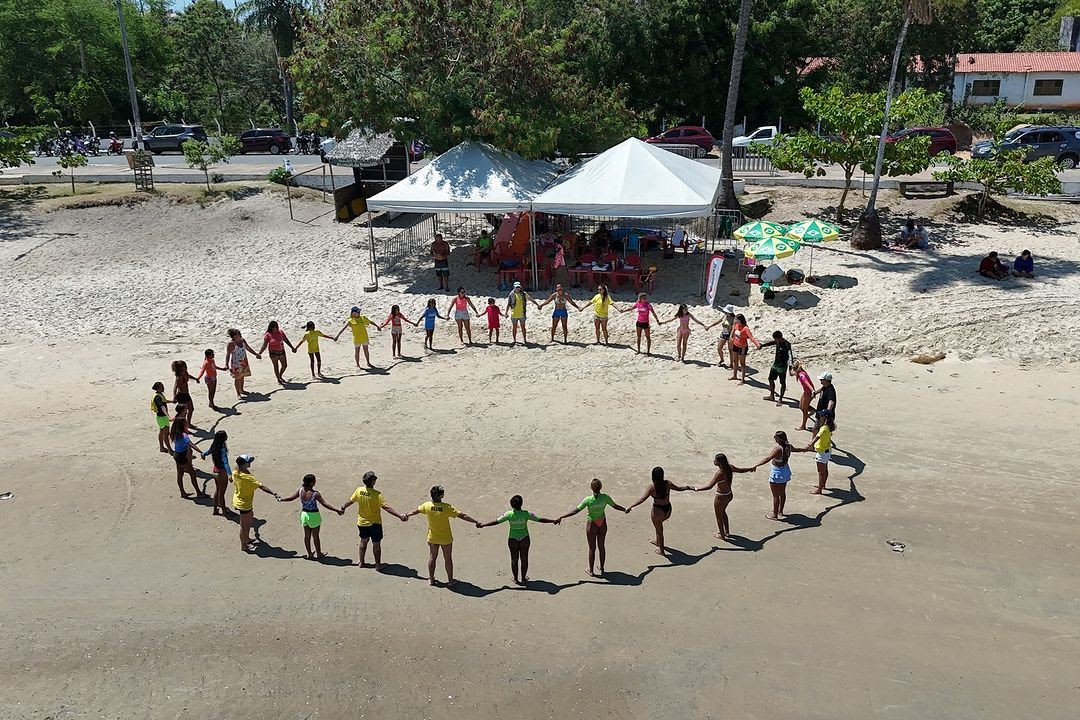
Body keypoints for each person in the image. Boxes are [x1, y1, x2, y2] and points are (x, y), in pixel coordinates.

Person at [404, 486, 479, 586]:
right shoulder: (447, 507)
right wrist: (475, 521)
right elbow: (462, 515)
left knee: (432, 557)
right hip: (445, 538)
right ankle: (450, 581)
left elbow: (415, 511)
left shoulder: (427, 505)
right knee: (447, 558)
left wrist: (407, 515)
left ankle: (431, 579)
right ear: (441, 496)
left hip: (432, 537)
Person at [476, 495, 558, 585]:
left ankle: (515, 578)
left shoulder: (509, 514)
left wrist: (483, 525)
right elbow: (540, 519)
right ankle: (523, 578)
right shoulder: (526, 514)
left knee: (514, 559)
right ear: (521, 504)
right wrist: (553, 521)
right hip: (525, 538)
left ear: (511, 505)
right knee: (524, 558)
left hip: (513, 539)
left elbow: (496, 521)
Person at [556, 479, 627, 577]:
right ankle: (602, 567)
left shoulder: (588, 499)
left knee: (592, 548)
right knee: (601, 546)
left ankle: (591, 570)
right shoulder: (605, 497)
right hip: (602, 523)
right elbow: (615, 506)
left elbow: (575, 511)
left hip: (592, 524)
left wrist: (562, 516)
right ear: (601, 487)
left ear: (591, 488)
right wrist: (625, 509)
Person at [340, 471, 408, 569]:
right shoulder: (377, 495)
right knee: (376, 544)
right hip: (375, 524)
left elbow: (351, 501)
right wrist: (400, 516)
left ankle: (361, 562)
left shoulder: (359, 490)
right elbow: (386, 508)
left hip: (362, 522)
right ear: (373, 482)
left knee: (363, 542)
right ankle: (378, 565)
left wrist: (343, 507)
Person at [626, 466, 694, 556]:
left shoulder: (652, 487)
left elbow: (642, 499)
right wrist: (688, 487)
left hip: (658, 511)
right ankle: (658, 542)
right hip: (668, 510)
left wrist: (630, 506)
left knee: (659, 530)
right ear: (662, 475)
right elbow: (679, 488)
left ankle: (661, 551)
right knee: (659, 528)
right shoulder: (668, 483)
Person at [278, 474, 343, 559]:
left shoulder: (300, 491)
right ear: (312, 483)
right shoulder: (315, 494)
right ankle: (319, 553)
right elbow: (325, 504)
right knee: (315, 536)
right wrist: (337, 510)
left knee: (307, 536)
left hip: (304, 515)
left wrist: (281, 499)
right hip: (314, 516)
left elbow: (291, 498)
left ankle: (309, 553)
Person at [695, 453, 756, 540]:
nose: (714, 461)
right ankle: (726, 531)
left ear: (719, 463)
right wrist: (751, 468)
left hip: (721, 497)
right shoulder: (730, 467)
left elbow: (709, 486)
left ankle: (722, 535)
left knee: (718, 516)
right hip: (729, 495)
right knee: (723, 512)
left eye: (715, 460)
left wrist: (697, 489)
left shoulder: (720, 473)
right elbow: (741, 470)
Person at [232, 454, 279, 552]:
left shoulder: (235, 472)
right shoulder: (248, 478)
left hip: (239, 499)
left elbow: (233, 474)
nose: (251, 463)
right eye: (249, 462)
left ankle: (247, 539)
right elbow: (262, 487)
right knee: (244, 526)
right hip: (244, 504)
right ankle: (243, 546)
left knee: (249, 521)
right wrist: (274, 493)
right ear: (244, 464)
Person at [753, 431, 794, 521]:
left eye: (775, 437)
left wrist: (756, 465)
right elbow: (797, 449)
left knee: (775, 495)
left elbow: (768, 458)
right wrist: (806, 449)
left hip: (777, 473)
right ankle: (780, 511)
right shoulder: (788, 446)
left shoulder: (778, 449)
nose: (774, 438)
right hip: (785, 471)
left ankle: (774, 515)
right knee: (782, 492)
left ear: (778, 439)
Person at [795, 410, 835, 494]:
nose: (820, 417)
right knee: (825, 470)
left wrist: (809, 445)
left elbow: (817, 437)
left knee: (821, 472)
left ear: (825, 417)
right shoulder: (829, 427)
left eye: (821, 416)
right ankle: (822, 485)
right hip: (827, 451)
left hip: (822, 452)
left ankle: (819, 489)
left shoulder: (824, 428)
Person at [170, 415, 204, 499]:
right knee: (192, 473)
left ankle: (183, 492)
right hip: (182, 457)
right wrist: (201, 452)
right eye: (186, 424)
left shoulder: (174, 433)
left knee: (180, 474)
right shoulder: (184, 435)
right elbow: (191, 445)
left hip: (176, 455)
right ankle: (199, 493)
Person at [201, 430, 232, 517]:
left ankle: (215, 510)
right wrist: (230, 474)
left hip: (215, 471)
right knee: (221, 494)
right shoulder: (222, 449)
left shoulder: (214, 445)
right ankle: (224, 512)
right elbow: (225, 462)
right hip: (221, 473)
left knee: (217, 491)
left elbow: (208, 452)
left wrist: (203, 454)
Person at [759, 330, 793, 405]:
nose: (775, 340)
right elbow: (771, 343)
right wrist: (762, 345)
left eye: (776, 339)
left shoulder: (787, 344)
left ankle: (780, 399)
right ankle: (772, 396)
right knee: (770, 379)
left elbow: (790, 356)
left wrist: (790, 368)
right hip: (775, 364)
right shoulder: (777, 341)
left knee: (782, 383)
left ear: (779, 338)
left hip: (782, 366)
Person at [226, 328, 261, 399]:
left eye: (239, 334)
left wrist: (255, 354)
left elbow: (248, 348)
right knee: (237, 378)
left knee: (242, 376)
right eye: (238, 334)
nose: (240, 335)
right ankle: (238, 394)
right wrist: (226, 364)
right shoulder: (231, 344)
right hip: (236, 364)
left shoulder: (242, 340)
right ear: (234, 336)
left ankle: (241, 390)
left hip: (244, 362)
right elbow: (228, 354)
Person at [258, 320, 296, 385]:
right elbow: (264, 345)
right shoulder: (268, 335)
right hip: (273, 352)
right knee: (276, 366)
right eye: (276, 327)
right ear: (272, 327)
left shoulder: (280, 332)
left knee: (284, 365)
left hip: (281, 351)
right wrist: (259, 353)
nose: (277, 327)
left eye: (277, 326)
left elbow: (286, 340)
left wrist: (292, 348)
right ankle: (278, 379)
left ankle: (280, 375)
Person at [729, 314, 761, 383]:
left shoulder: (745, 328)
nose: (734, 320)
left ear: (740, 320)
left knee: (742, 363)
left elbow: (751, 337)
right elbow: (733, 330)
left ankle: (743, 380)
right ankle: (734, 376)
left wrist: (757, 344)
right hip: (735, 344)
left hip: (742, 347)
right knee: (735, 361)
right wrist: (731, 337)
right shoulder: (736, 325)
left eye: (736, 319)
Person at [505, 281, 538, 345]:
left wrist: (537, 304)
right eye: (516, 287)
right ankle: (514, 340)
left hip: (522, 313)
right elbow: (508, 303)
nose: (518, 288)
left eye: (518, 287)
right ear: (514, 287)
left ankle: (525, 339)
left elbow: (531, 299)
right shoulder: (511, 294)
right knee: (514, 327)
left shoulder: (523, 294)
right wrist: (506, 312)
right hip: (514, 314)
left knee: (523, 327)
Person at [171, 360, 199, 427]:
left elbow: (189, 376)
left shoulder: (185, 373)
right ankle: (183, 426)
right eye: (184, 366)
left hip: (186, 394)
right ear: (180, 368)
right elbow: (175, 387)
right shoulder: (179, 377)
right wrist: (174, 396)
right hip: (181, 396)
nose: (186, 367)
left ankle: (188, 424)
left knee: (191, 409)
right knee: (183, 412)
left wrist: (196, 379)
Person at [791, 359, 815, 431]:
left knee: (804, 410)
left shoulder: (801, 375)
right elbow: (793, 373)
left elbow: (806, 383)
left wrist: (812, 391)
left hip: (809, 392)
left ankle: (803, 426)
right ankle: (814, 411)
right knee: (801, 407)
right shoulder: (801, 372)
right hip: (806, 392)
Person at [150, 382, 171, 454]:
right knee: (166, 434)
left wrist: (172, 401)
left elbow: (164, 401)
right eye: (161, 387)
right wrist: (168, 416)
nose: (163, 388)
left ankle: (161, 447)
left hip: (159, 417)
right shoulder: (157, 397)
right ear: (157, 388)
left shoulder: (157, 395)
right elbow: (162, 407)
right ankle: (170, 450)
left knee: (161, 431)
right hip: (163, 417)